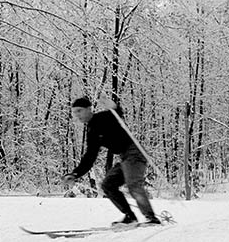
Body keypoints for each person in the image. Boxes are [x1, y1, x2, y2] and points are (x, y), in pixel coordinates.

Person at [63, 97, 161, 226]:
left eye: (79, 111)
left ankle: (151, 218)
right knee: (108, 185)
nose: (77, 115)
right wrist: (75, 174)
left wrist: (114, 107)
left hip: (135, 153)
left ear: (89, 109)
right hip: (125, 157)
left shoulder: (102, 118)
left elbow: (118, 114)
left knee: (133, 185)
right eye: (75, 112)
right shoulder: (91, 130)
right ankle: (130, 217)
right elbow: (90, 156)